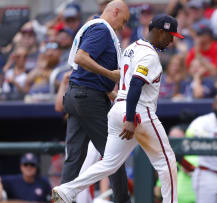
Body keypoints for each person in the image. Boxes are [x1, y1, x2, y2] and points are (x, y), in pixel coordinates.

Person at [52, 13, 184, 203]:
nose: (171, 40)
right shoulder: (148, 54)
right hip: (138, 112)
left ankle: (67, 190)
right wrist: (130, 119)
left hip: (117, 110)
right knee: (167, 161)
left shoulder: (131, 48)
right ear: (159, 32)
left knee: (109, 163)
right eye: (170, 35)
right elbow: (137, 85)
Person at [59, 0, 131, 203]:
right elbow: (81, 58)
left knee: (74, 157)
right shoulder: (101, 29)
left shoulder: (94, 26)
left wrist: (110, 91)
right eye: (123, 21)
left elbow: (82, 69)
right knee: (114, 155)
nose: (122, 27)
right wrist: (110, 74)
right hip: (88, 98)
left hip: (77, 95)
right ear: (115, 11)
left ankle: (63, 199)